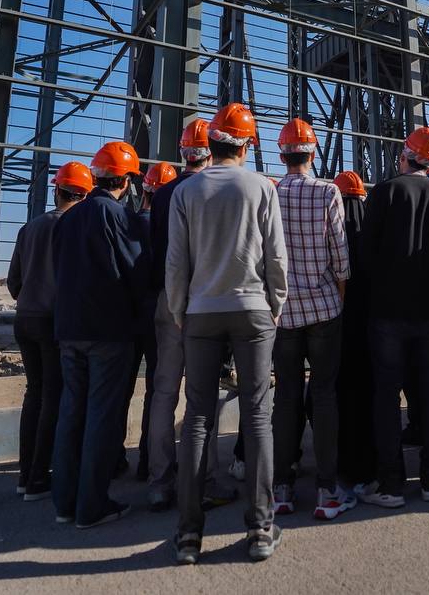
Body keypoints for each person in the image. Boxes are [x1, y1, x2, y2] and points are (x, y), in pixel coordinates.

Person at [167, 103, 288, 564]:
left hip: (200, 311)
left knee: (198, 417)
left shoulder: (186, 191)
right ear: (247, 144)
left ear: (211, 143)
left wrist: (180, 309)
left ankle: (188, 535)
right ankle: (260, 529)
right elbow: (276, 256)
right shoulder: (262, 187)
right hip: (253, 309)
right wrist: (276, 304)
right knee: (257, 416)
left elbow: (176, 261)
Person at [354, 126, 429, 509]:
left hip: (387, 311)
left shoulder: (384, 192)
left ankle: (391, 484)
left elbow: (365, 252)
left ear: (404, 156)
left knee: (386, 396)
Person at [51, 141, 149, 529]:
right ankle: (91, 505)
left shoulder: (69, 218)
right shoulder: (118, 216)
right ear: (125, 181)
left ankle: (64, 502)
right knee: (101, 415)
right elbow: (136, 271)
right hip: (108, 330)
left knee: (71, 412)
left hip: (69, 329)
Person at [145, 120, 236, 512]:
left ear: (184, 152)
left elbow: (155, 252)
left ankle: (159, 483)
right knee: (203, 396)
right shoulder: (215, 190)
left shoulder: (164, 195)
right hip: (205, 300)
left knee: (163, 392)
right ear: (210, 153)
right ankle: (207, 480)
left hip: (169, 299)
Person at [271, 118, 356, 520]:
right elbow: (341, 255)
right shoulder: (328, 191)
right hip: (324, 310)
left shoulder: (270, 193)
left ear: (282, 155)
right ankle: (327, 490)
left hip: (284, 314)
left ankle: (282, 489)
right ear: (313, 151)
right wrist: (337, 299)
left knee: (286, 396)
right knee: (324, 395)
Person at [6, 161, 93, 501]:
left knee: (35, 393)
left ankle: (25, 474)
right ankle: (40, 477)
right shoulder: (77, 229)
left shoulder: (30, 228)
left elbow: (14, 282)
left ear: (57, 190)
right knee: (54, 397)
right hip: (54, 321)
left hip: (25, 318)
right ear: (85, 196)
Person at [113, 160, 177, 482]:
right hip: (159, 313)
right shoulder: (170, 228)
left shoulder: (128, 223)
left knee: (120, 388)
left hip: (128, 315)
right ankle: (149, 460)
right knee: (157, 387)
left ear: (145, 191)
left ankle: (113, 457)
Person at [332, 170, 374, 487]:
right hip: (370, 326)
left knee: (338, 390)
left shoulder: (332, 228)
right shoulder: (371, 229)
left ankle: (342, 458)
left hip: (337, 322)